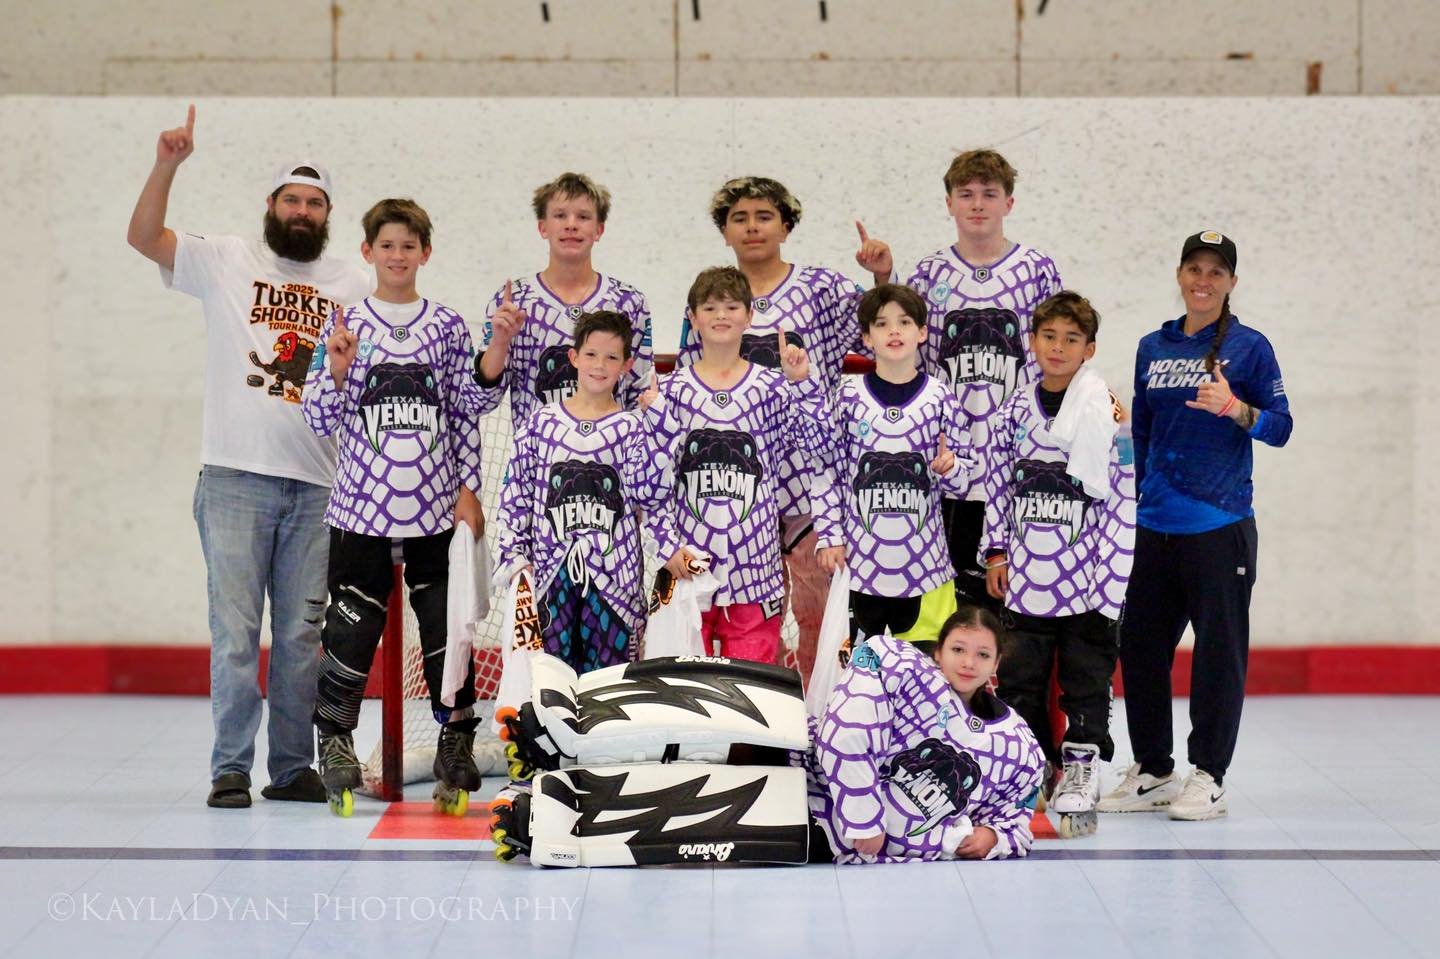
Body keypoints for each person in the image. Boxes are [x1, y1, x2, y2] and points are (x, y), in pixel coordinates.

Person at [125, 105, 371, 809]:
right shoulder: (227, 258)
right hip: (233, 480)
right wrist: (168, 162)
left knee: (299, 639)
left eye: (314, 202)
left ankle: (290, 766)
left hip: (319, 487)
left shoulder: (350, 281)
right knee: (235, 635)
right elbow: (143, 237)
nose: (301, 210)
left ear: (327, 214)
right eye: (291, 198)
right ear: (270, 205)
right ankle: (230, 764)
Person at [1099, 231, 1292, 822]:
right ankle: (1155, 769)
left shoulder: (1251, 349)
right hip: (1154, 525)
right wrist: (1131, 501)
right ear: (1180, 275)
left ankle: (1209, 774)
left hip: (1220, 525)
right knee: (1140, 647)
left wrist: (1236, 409)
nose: (1202, 281)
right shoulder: (1151, 347)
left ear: (1231, 282)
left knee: (1218, 653)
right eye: (1193, 269)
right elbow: (1147, 433)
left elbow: (1280, 427)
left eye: (1215, 271)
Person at [300, 198, 484, 817]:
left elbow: (468, 412)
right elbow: (318, 417)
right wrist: (338, 369)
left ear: (425, 253)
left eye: (409, 246)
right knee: (352, 635)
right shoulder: (346, 322)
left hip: (433, 509)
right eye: (387, 245)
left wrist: (469, 488)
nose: (398, 256)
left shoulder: (447, 327)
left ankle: (455, 743)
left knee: (446, 633)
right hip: (361, 512)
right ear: (367, 252)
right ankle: (336, 743)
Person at [677, 177, 894, 679]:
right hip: (736, 497)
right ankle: (756, 730)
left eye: (764, 216)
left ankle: (820, 726)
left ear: (786, 226)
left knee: (819, 618)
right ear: (724, 232)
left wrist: (882, 276)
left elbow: (878, 331)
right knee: (746, 623)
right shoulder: (712, 300)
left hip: (810, 490)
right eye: (739, 219)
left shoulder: (820, 287)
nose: (752, 227)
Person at [978, 291, 1135, 837]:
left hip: (1087, 578)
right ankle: (1033, 767)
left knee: (1085, 681)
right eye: (1049, 336)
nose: (1059, 347)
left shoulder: (1105, 410)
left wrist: (1112, 580)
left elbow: (1122, 498)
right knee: (1021, 681)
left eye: (1072, 338)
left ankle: (1081, 768)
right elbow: (996, 485)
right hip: (1027, 577)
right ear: (1033, 342)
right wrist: (996, 551)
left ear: (1089, 349)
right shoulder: (1013, 412)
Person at [644, 266, 828, 664]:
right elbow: (651, 485)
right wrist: (667, 547)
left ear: (749, 315)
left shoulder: (773, 388)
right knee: (681, 694)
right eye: (710, 307)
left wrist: (803, 384)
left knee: (751, 695)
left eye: (731, 306)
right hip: (686, 568)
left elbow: (820, 448)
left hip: (755, 573)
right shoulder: (671, 391)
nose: (721, 315)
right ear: (692, 318)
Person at [906, 150, 1063, 610]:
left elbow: (1060, 355)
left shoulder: (1036, 270)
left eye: (989, 194)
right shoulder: (929, 273)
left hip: (1015, 460)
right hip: (948, 464)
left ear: (1008, 203)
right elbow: (904, 354)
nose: (977, 204)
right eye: (966, 194)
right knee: (950, 606)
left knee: (1012, 605)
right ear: (949, 203)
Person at [494, 311, 670, 674]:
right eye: (590, 354)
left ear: (627, 365)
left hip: (614, 584)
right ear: (574, 358)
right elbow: (517, 494)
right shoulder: (541, 423)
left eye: (611, 357)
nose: (599, 365)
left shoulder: (633, 428)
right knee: (548, 682)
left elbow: (649, 494)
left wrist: (661, 427)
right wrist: (514, 557)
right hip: (548, 577)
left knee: (609, 687)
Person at [807, 606, 1045, 862]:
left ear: (996, 663)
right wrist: (864, 818)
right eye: (958, 649)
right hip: (806, 804)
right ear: (938, 652)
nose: (969, 663)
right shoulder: (900, 669)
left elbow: (1016, 824)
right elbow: (846, 730)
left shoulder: (1018, 745)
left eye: (983, 654)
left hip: (872, 867)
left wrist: (994, 836)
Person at [813, 284, 972, 644]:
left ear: (922, 332)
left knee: (925, 682)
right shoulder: (847, 396)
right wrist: (829, 535)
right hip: (859, 567)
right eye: (882, 324)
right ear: (867, 337)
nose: (894, 331)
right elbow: (827, 472)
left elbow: (965, 482)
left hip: (926, 569)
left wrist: (951, 469)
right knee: (857, 682)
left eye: (904, 321)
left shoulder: (941, 397)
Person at [474, 172, 653, 429]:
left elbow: (641, 395)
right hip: (537, 464)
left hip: (608, 462)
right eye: (560, 215)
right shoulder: (514, 302)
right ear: (543, 227)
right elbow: (479, 402)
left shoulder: (629, 302)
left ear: (599, 229)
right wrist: (499, 342)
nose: (571, 225)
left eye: (583, 216)